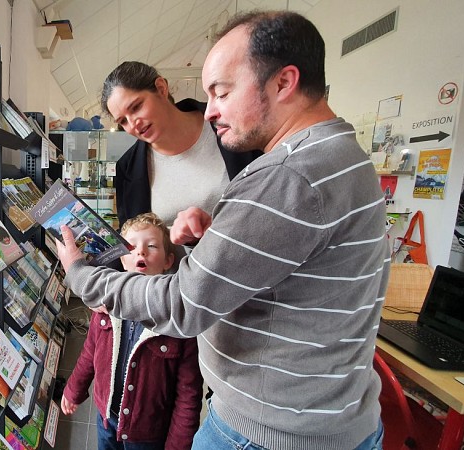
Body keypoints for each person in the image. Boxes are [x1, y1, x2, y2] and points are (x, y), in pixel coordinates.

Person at [57, 11, 388, 450]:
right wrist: (217, 237)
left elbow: (184, 301)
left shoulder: (289, 173)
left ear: (283, 82)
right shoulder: (333, 154)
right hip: (313, 409)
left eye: (222, 91)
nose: (212, 109)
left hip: (270, 429)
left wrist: (81, 275)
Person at [61, 213, 203, 450]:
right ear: (122, 259)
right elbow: (89, 353)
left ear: (168, 260)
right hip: (106, 420)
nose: (141, 252)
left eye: (152, 245)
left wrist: (178, 444)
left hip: (148, 434)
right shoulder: (106, 309)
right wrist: (74, 388)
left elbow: (188, 393)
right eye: (131, 246)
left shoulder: (178, 321)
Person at [103, 61, 261, 234]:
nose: (133, 124)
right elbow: (133, 242)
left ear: (161, 88)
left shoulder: (230, 124)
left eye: (136, 107)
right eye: (123, 121)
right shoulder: (127, 169)